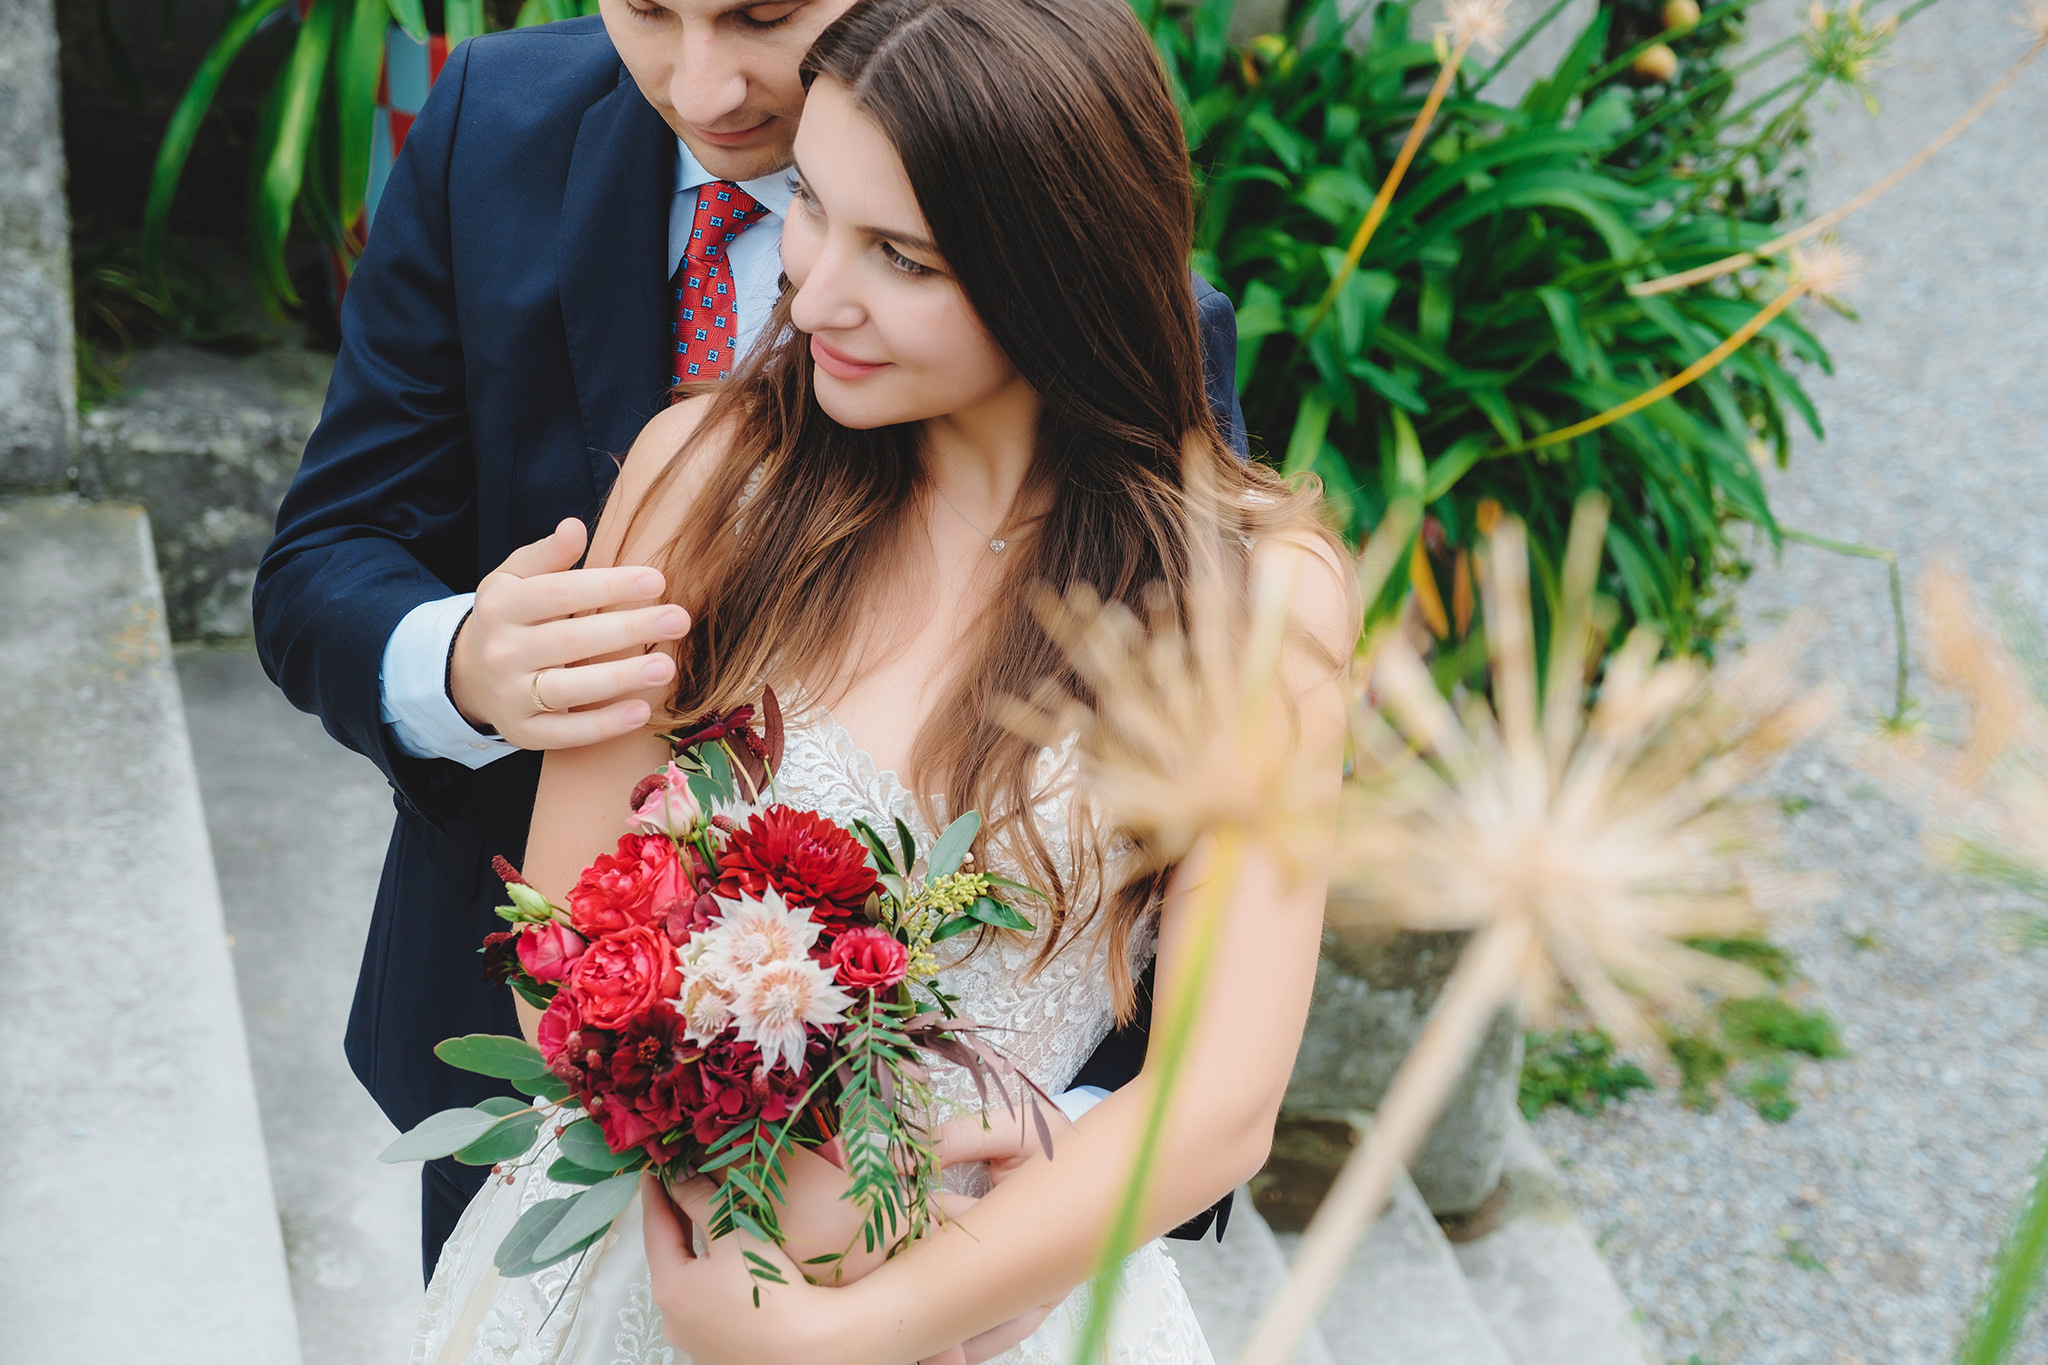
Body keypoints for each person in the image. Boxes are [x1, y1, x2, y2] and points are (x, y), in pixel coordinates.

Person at [410, 0, 1354, 1360]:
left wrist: (870, 1320)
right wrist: (733, 1182)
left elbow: (1218, 1093)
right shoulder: (701, 481)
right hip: (654, 1258)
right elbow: (556, 955)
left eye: (902, 257)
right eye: (816, 214)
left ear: (1064, 269)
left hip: (990, 1288)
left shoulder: (1254, 601)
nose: (814, 292)